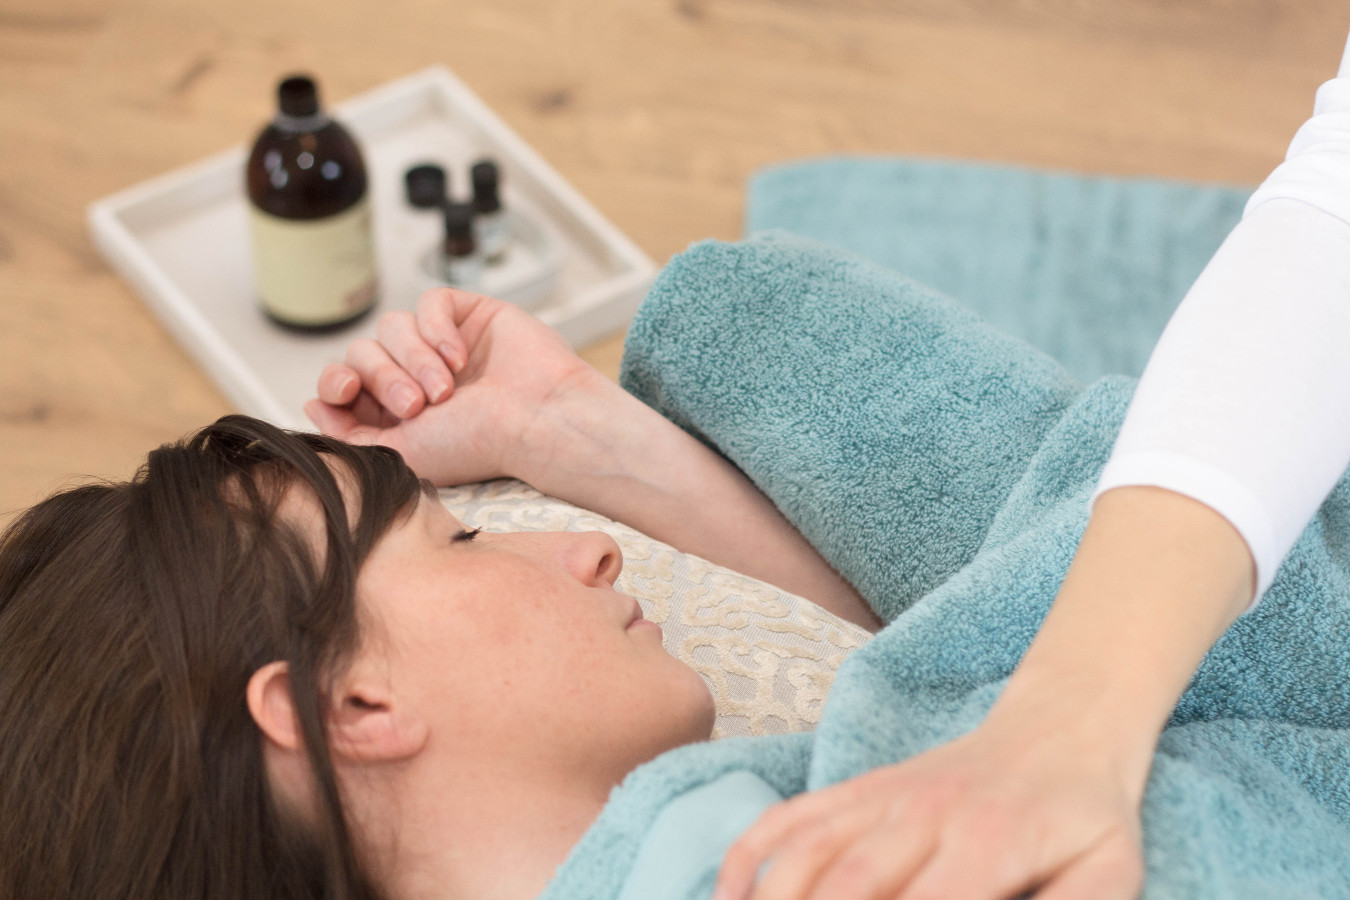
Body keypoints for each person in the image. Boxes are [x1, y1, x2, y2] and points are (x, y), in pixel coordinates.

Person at [1, 30, 1345, 900]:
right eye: (458, 537)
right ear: (350, 706)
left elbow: (964, 658)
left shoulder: (755, 832)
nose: (582, 545)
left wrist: (564, 432)